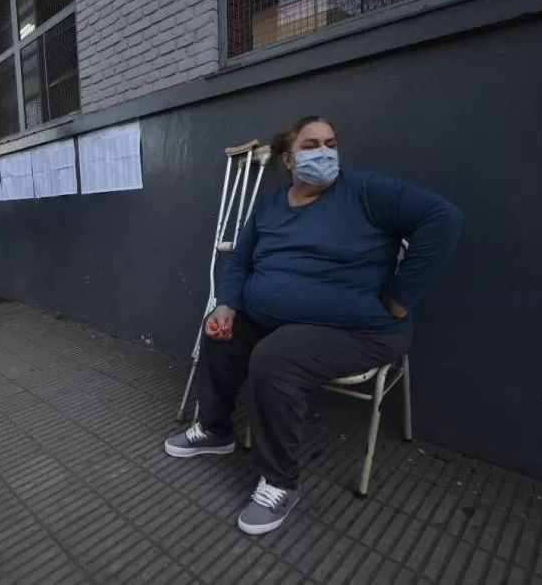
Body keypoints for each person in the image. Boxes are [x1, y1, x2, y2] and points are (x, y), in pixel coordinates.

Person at [163, 117, 464, 536]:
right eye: (311, 145)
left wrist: (401, 296)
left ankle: (280, 483)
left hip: (364, 331)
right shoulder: (269, 206)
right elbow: (243, 261)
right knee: (218, 330)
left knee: (276, 356)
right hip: (279, 322)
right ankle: (215, 429)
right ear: (288, 159)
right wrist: (228, 305)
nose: (324, 152)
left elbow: (443, 218)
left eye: (331, 143)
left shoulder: (365, 192)